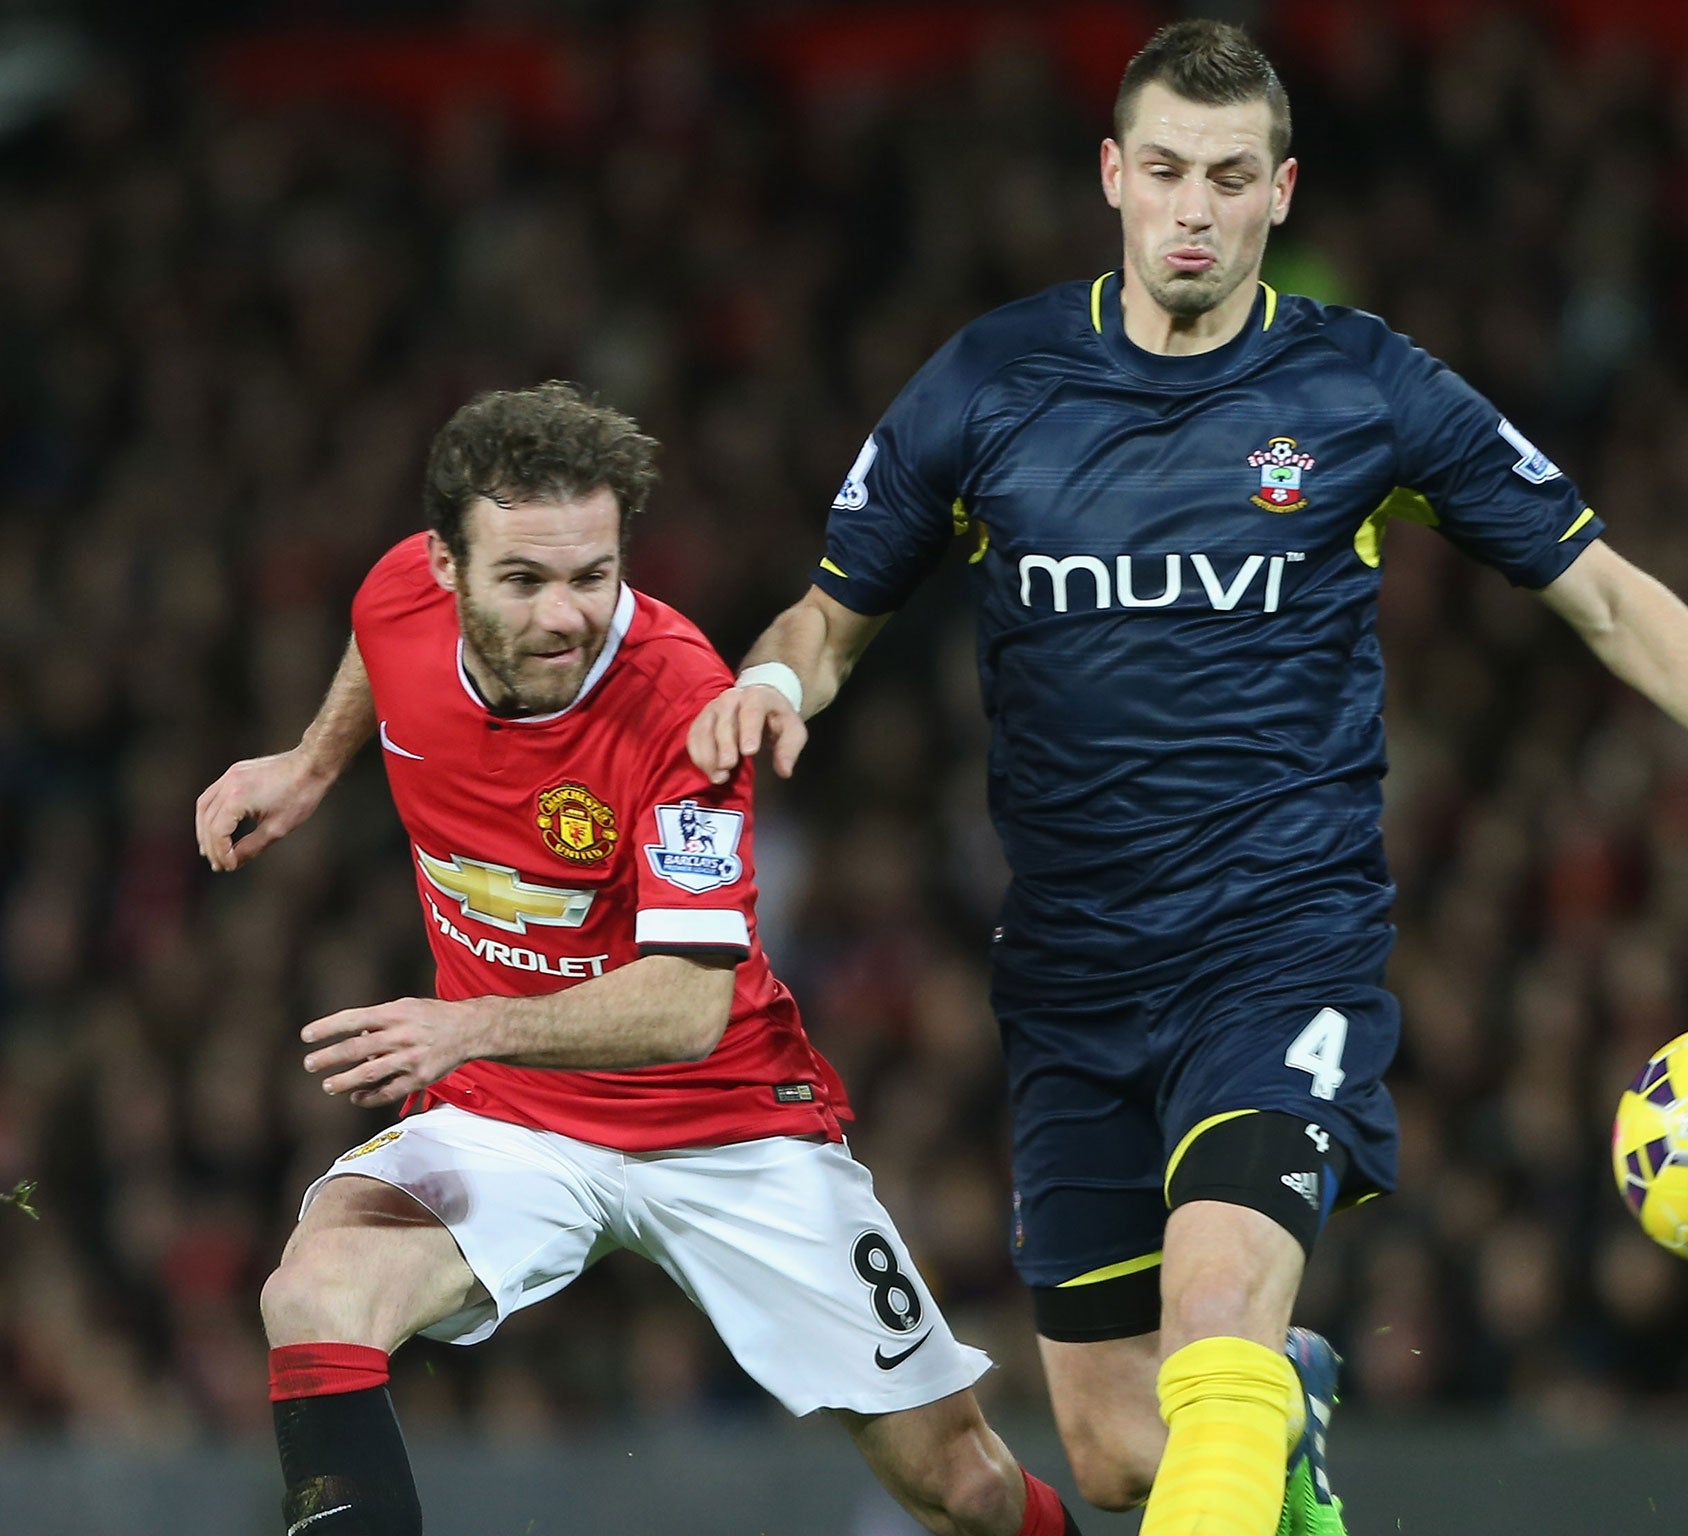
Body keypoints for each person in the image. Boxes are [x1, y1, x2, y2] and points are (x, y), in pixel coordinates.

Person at [686, 20, 1688, 1536]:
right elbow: (828, 616)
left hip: (1280, 951)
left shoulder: (1361, 389)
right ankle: (1293, 1421)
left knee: (1218, 1315)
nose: (1191, 209)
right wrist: (770, 680)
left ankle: (1265, 1382)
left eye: (1226, 177)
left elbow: (1604, 593)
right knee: (1129, 1449)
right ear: (1111, 179)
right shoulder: (991, 381)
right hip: (1070, 977)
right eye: (1163, 173)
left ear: (1280, 190)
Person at [194, 383, 1085, 1536]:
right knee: (314, 1293)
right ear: (444, 566)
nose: (566, 616)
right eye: (523, 580)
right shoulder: (395, 595)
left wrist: (466, 1026)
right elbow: (381, 645)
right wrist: (311, 764)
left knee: (959, 1487)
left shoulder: (681, 704)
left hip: (721, 1122)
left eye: (593, 576)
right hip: (512, 1112)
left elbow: (685, 1007)